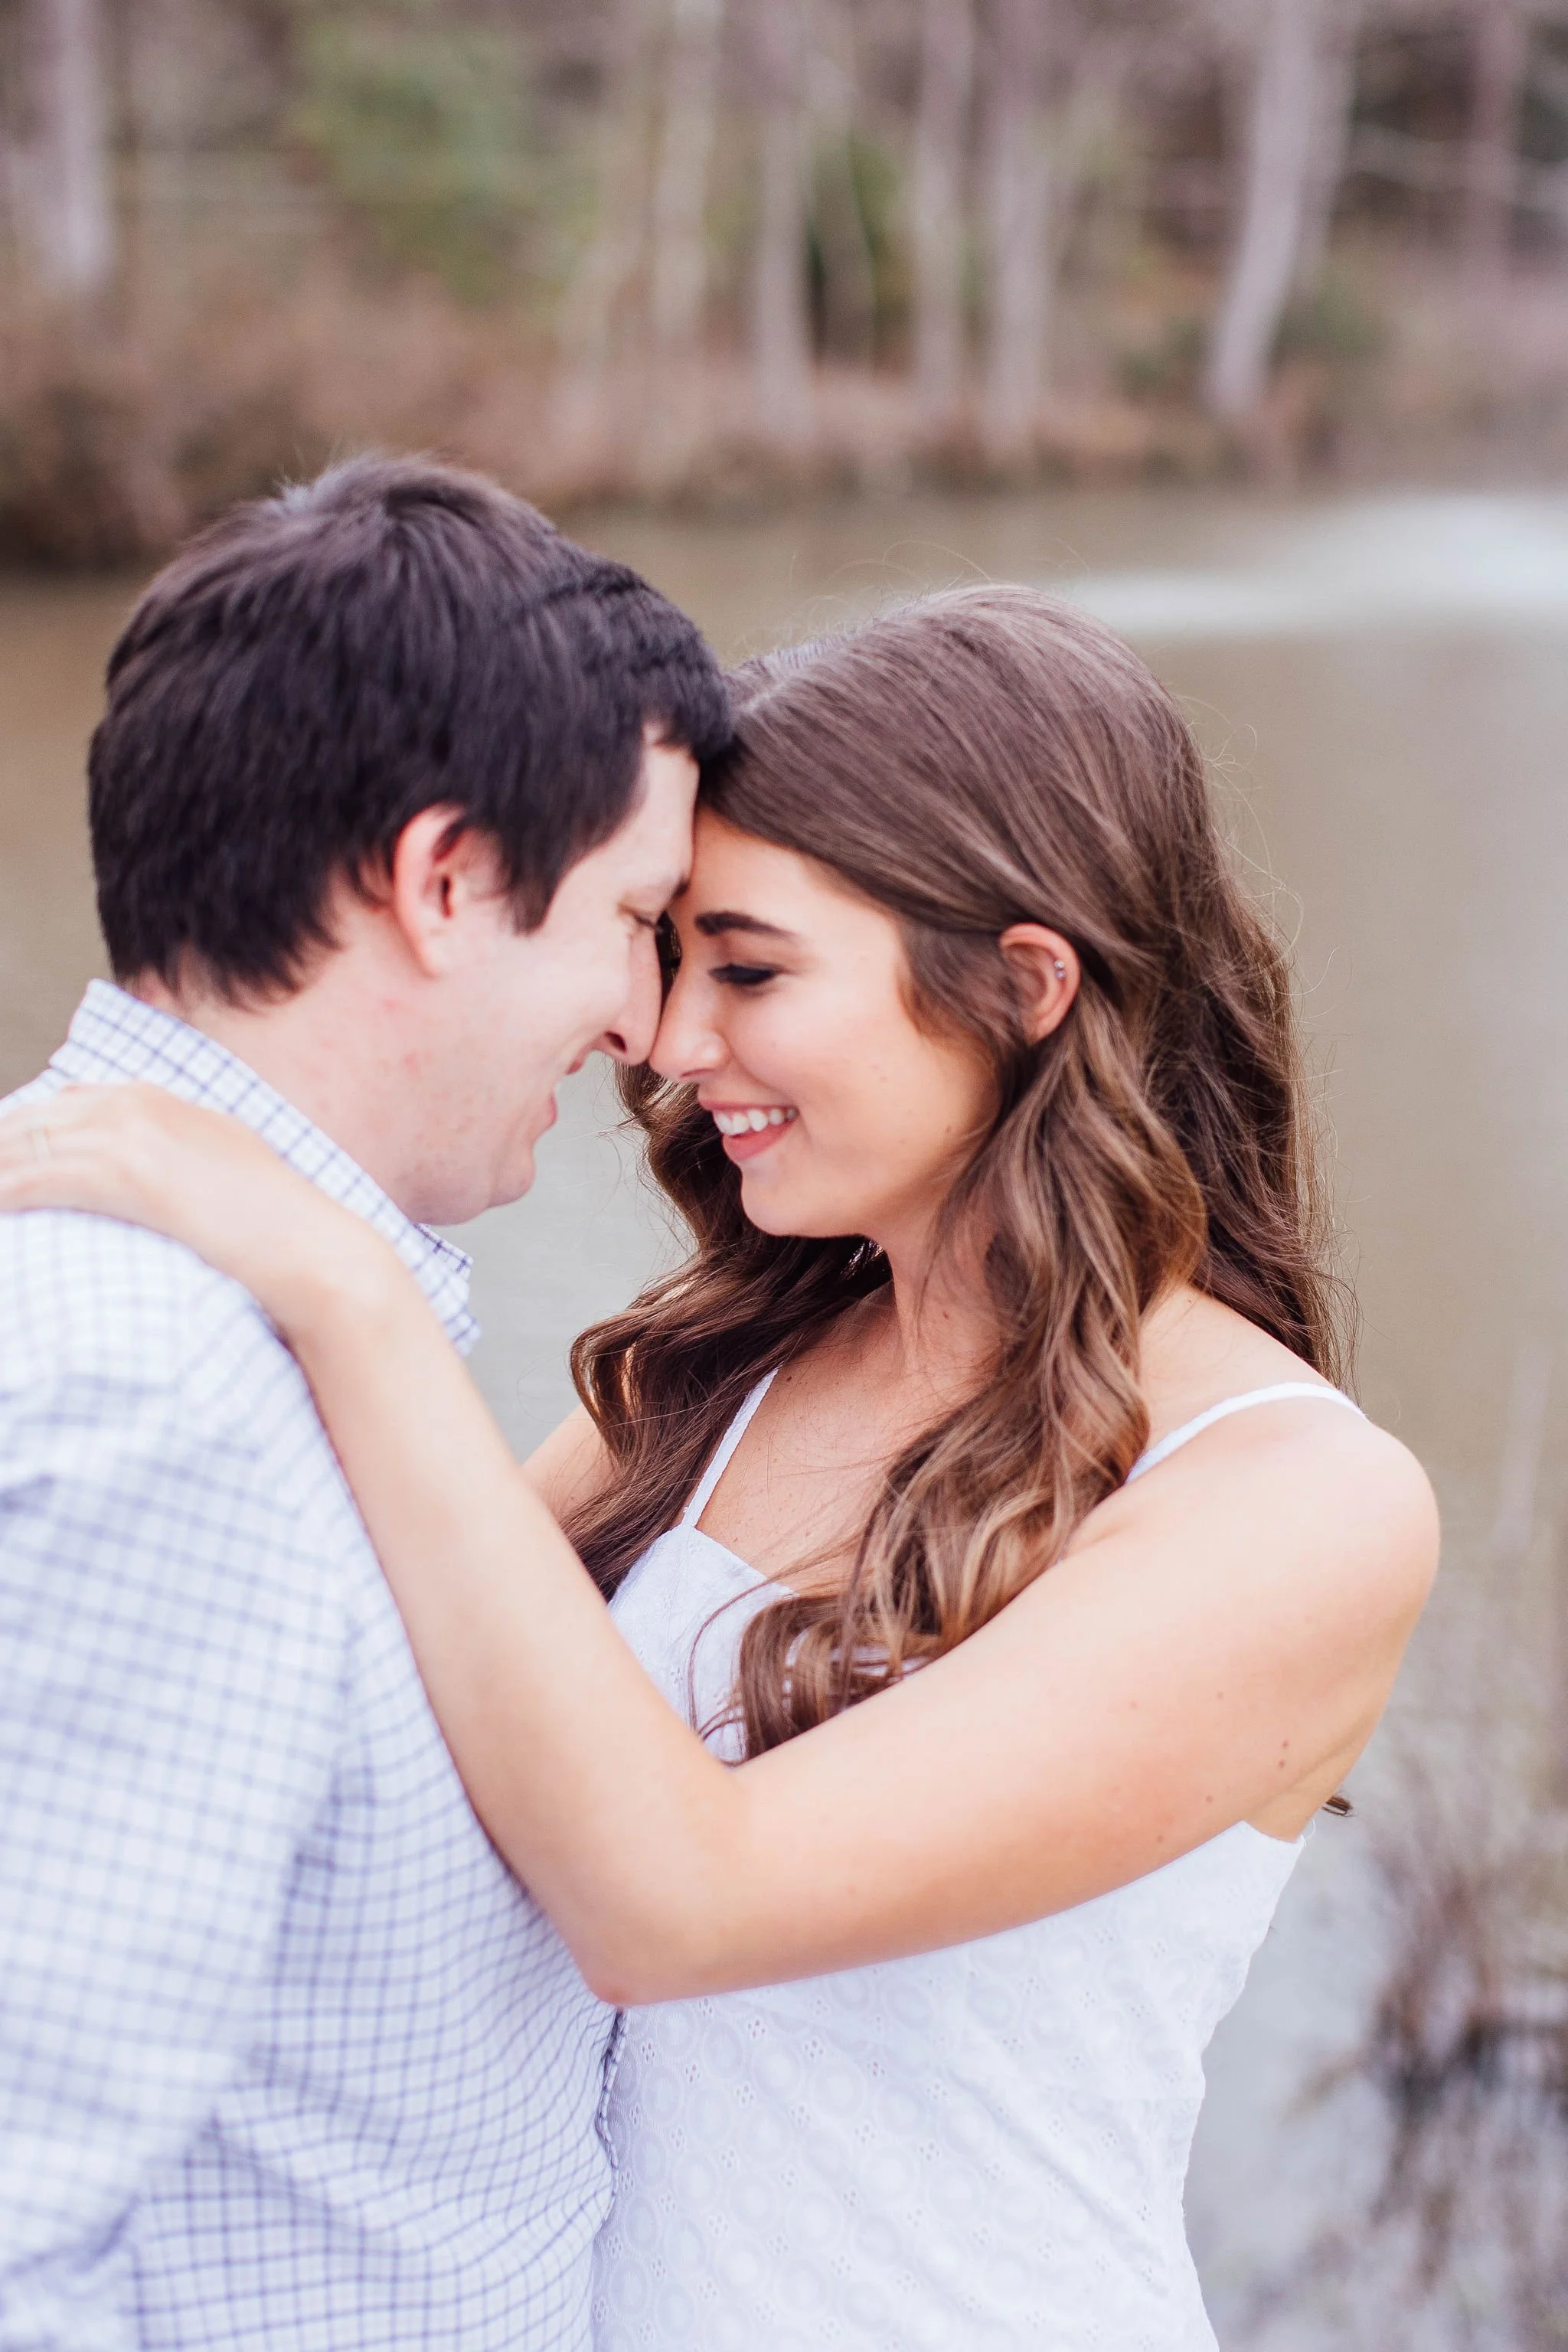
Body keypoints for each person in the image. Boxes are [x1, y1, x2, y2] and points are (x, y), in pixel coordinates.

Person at [0, 586, 1439, 2351]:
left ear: (1022, 983)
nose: (672, 1042)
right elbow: (394, 1716)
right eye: (667, 950)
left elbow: (681, 1902)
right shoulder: (709, 1369)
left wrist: (340, 1284)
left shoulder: (1290, 1502)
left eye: (749, 970)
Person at [0, 455, 729, 2352]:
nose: (648, 1027)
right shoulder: (163, 1397)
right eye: (638, 919)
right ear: (444, 878)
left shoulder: (205, 1323)